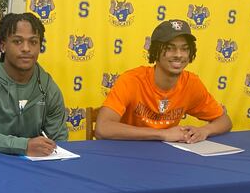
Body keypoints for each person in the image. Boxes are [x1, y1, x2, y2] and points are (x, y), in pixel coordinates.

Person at [95, 19, 232, 143]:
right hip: (126, 153)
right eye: (169, 48)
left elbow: (224, 121)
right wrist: (162, 134)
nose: (178, 55)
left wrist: (204, 131)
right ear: (155, 51)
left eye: (184, 49)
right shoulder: (132, 80)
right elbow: (102, 128)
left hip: (168, 156)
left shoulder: (191, 83)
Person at [0, 12, 68, 156]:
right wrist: (23, 146)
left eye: (33, 42)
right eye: (17, 41)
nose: (26, 48)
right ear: (3, 46)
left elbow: (59, 140)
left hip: (34, 169)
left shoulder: (48, 87)